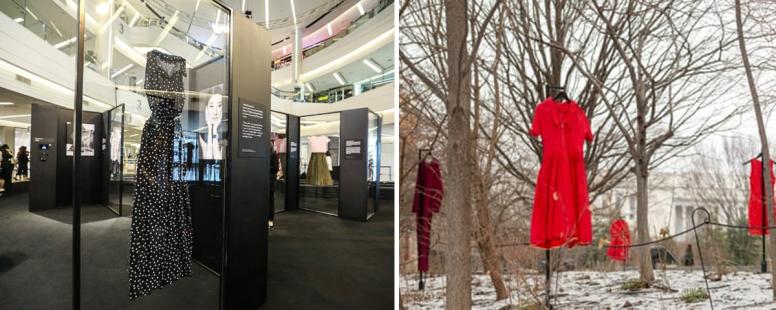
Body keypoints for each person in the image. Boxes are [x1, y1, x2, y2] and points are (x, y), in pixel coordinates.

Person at [269, 141, 280, 230]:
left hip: (270, 183)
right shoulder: (268, 155)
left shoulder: (273, 155)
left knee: (270, 203)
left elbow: (275, 168)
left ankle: (270, 222)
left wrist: (264, 167)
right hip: (266, 182)